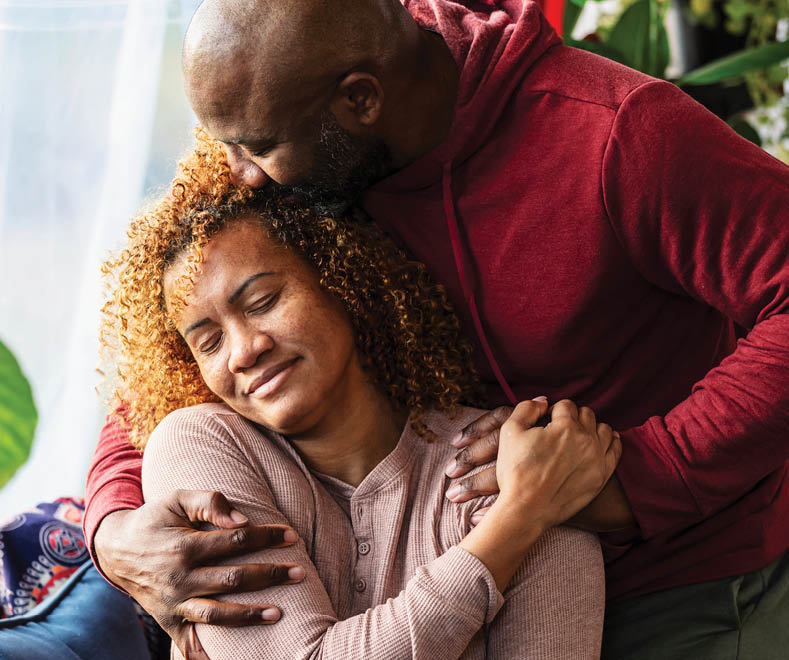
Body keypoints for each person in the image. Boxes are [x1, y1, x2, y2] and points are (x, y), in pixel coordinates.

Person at [85, 0, 789, 657]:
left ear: (360, 99)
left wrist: (640, 477)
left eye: (257, 147)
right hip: (434, 586)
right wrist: (114, 527)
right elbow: (187, 335)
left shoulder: (617, 134)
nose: (237, 174)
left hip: (683, 584)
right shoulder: (300, 125)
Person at [100, 130, 612, 658]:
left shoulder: (518, 463)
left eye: (263, 301)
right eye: (208, 342)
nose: (242, 352)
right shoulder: (200, 445)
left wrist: (525, 502)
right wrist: (516, 523)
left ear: (340, 278)